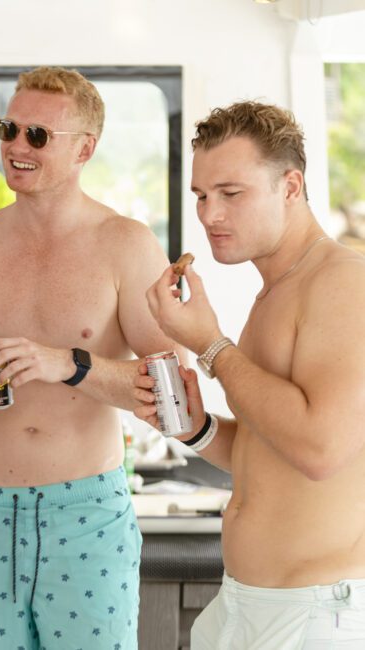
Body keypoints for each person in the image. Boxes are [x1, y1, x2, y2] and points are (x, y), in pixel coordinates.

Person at [0, 66, 184, 649]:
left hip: (87, 512)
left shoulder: (125, 243)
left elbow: (174, 389)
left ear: (85, 148)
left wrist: (72, 364)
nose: (14, 146)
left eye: (37, 135)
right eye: (9, 128)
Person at [137, 101, 365, 649]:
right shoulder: (276, 291)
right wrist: (196, 429)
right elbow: (271, 450)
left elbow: (319, 448)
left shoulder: (342, 281)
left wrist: (210, 345)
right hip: (246, 602)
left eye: (231, 194)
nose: (210, 214)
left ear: (291, 186)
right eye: (200, 196)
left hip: (311, 614)